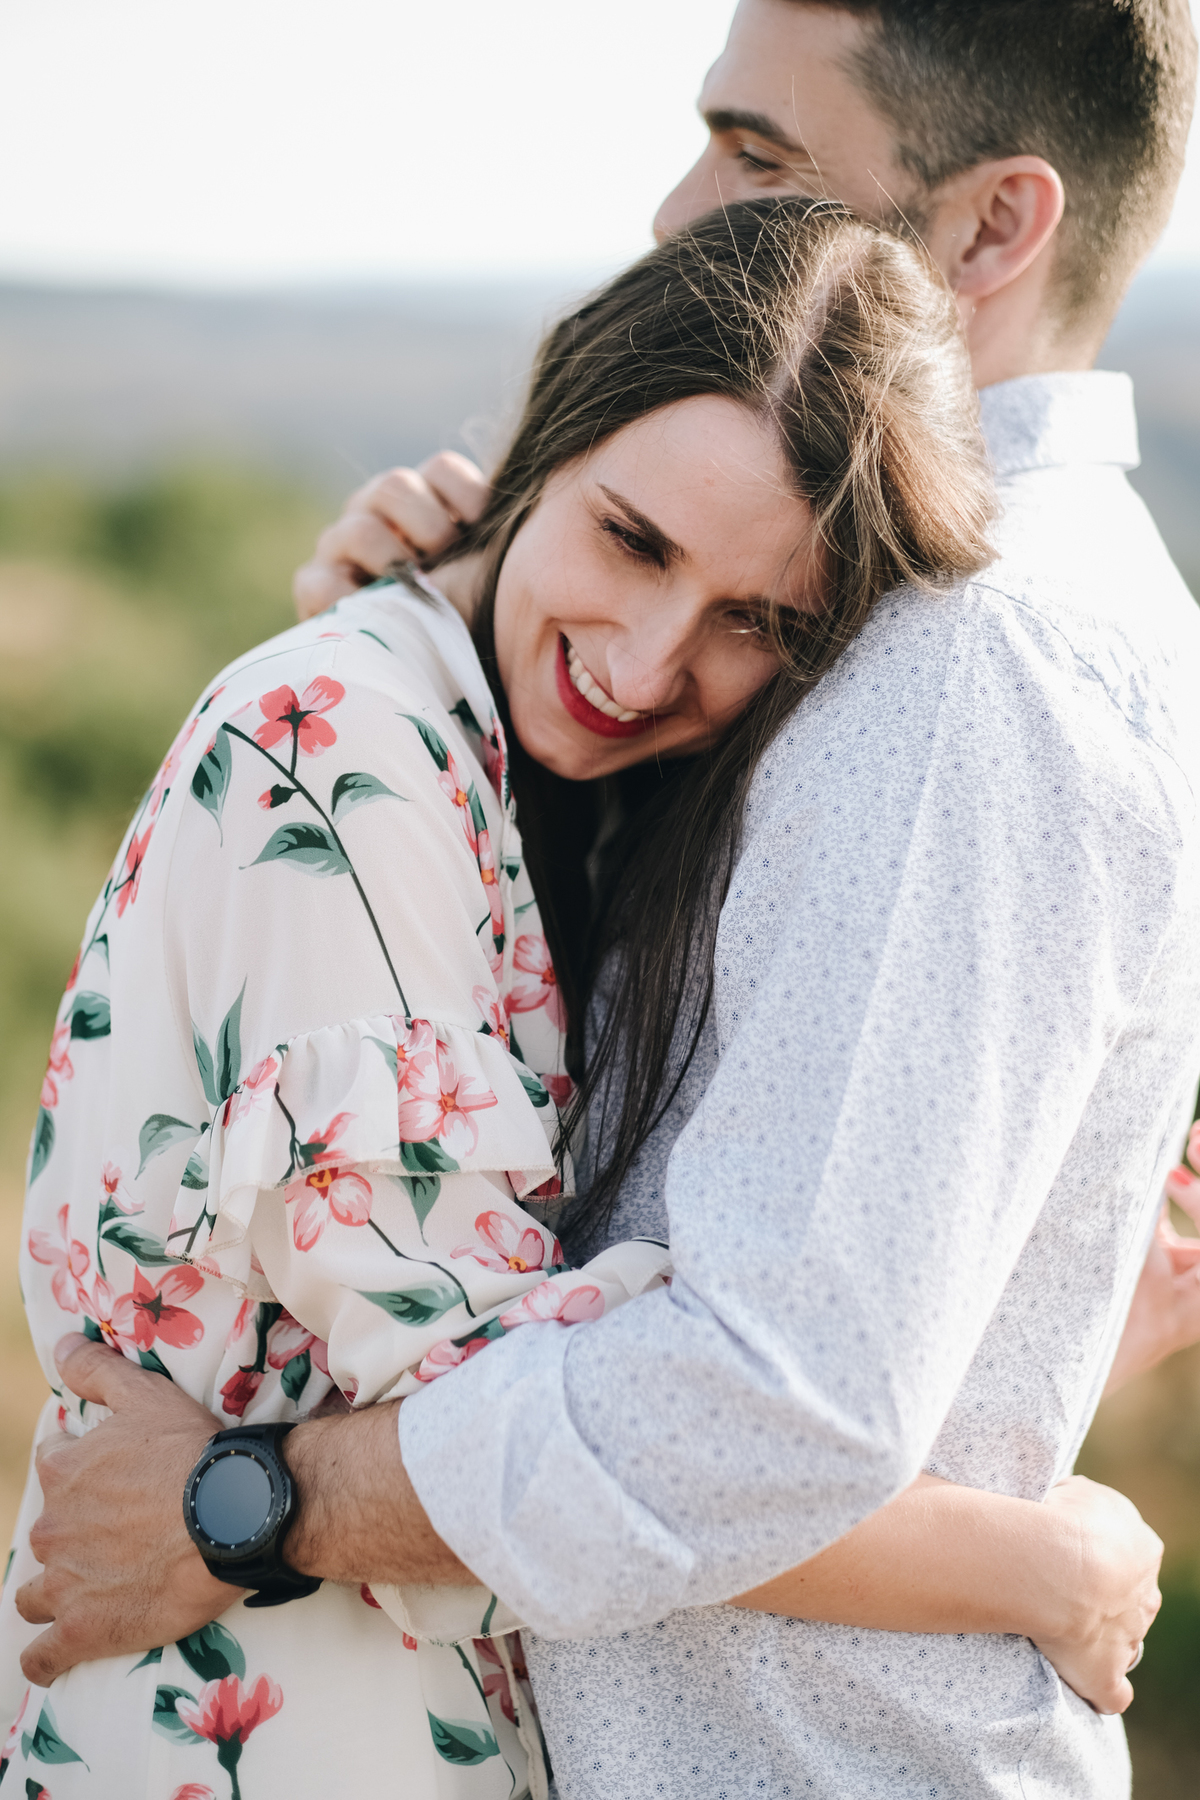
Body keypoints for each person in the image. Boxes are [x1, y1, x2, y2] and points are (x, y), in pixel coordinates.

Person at [12, 2, 1200, 1797]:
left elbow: (766, 1400)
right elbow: (773, 1290)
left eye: (761, 159)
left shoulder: (975, 656)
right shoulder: (841, 626)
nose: (675, 207)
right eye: (629, 537)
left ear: (990, 230)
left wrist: (234, 1500)